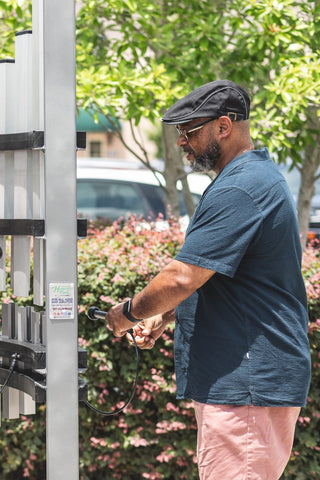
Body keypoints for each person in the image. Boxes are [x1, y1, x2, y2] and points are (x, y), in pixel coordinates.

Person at [104, 80, 311, 479]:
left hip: (246, 383)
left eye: (189, 130)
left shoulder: (240, 186)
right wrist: (164, 315)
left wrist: (128, 313)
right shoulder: (249, 178)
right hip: (245, 381)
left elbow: (182, 276)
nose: (182, 141)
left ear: (223, 126)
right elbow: (223, 278)